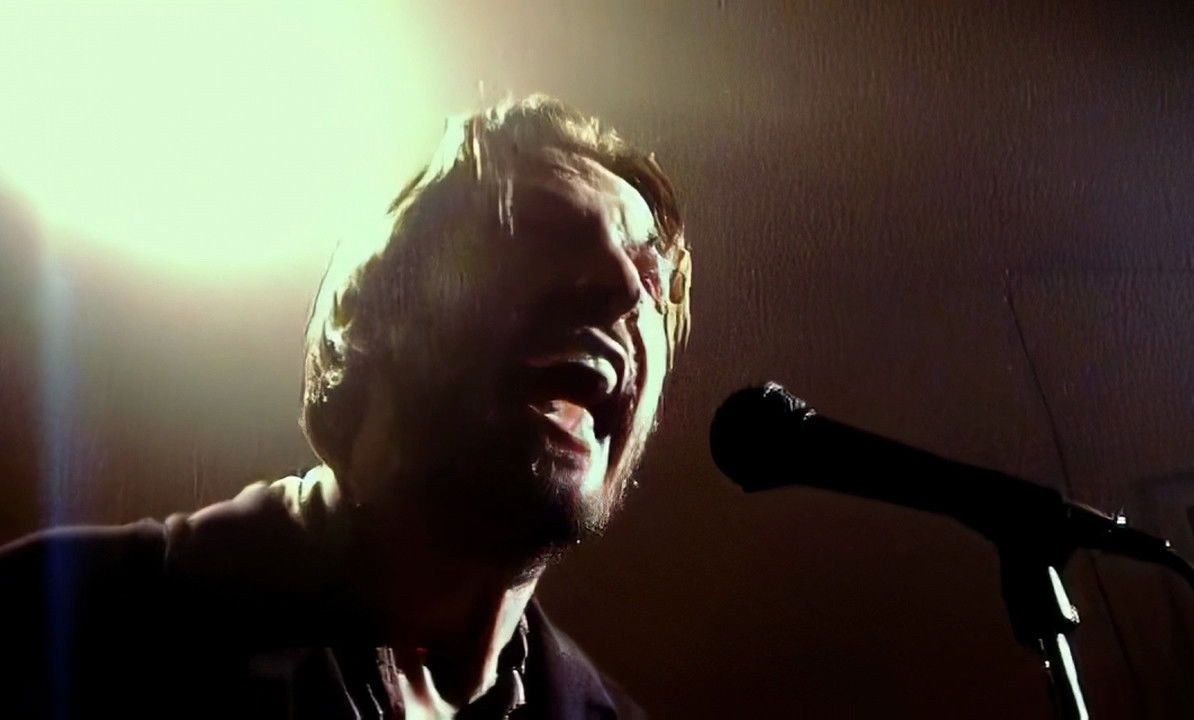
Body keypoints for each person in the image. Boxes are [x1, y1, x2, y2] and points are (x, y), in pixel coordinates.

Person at [0, 94, 692, 720]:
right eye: (539, 230)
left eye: (652, 273)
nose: (626, 286)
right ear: (371, 311)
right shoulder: (52, 625)